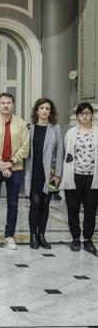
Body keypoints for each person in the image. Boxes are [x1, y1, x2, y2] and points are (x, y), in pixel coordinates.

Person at [0, 93, 29, 250]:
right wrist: (1, 163)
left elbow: (25, 147)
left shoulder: (21, 123)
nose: (6, 105)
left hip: (15, 169)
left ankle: (9, 236)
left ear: (13, 104)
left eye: (9, 102)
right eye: (3, 103)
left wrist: (11, 163)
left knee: (13, 204)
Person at [23, 98, 63, 249]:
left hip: (49, 172)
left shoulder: (56, 128)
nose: (45, 111)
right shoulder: (29, 128)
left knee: (45, 204)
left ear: (50, 111)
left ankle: (42, 235)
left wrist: (58, 174)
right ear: (37, 111)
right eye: (42, 108)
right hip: (33, 171)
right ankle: (33, 235)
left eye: (47, 108)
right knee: (35, 203)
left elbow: (60, 152)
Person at [60, 102, 98, 254]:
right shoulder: (70, 133)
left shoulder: (97, 132)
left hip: (92, 177)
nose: (84, 116)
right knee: (73, 209)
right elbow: (66, 154)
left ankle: (88, 239)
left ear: (92, 115)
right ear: (77, 116)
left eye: (87, 113)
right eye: (81, 113)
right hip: (74, 176)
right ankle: (75, 238)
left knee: (90, 209)